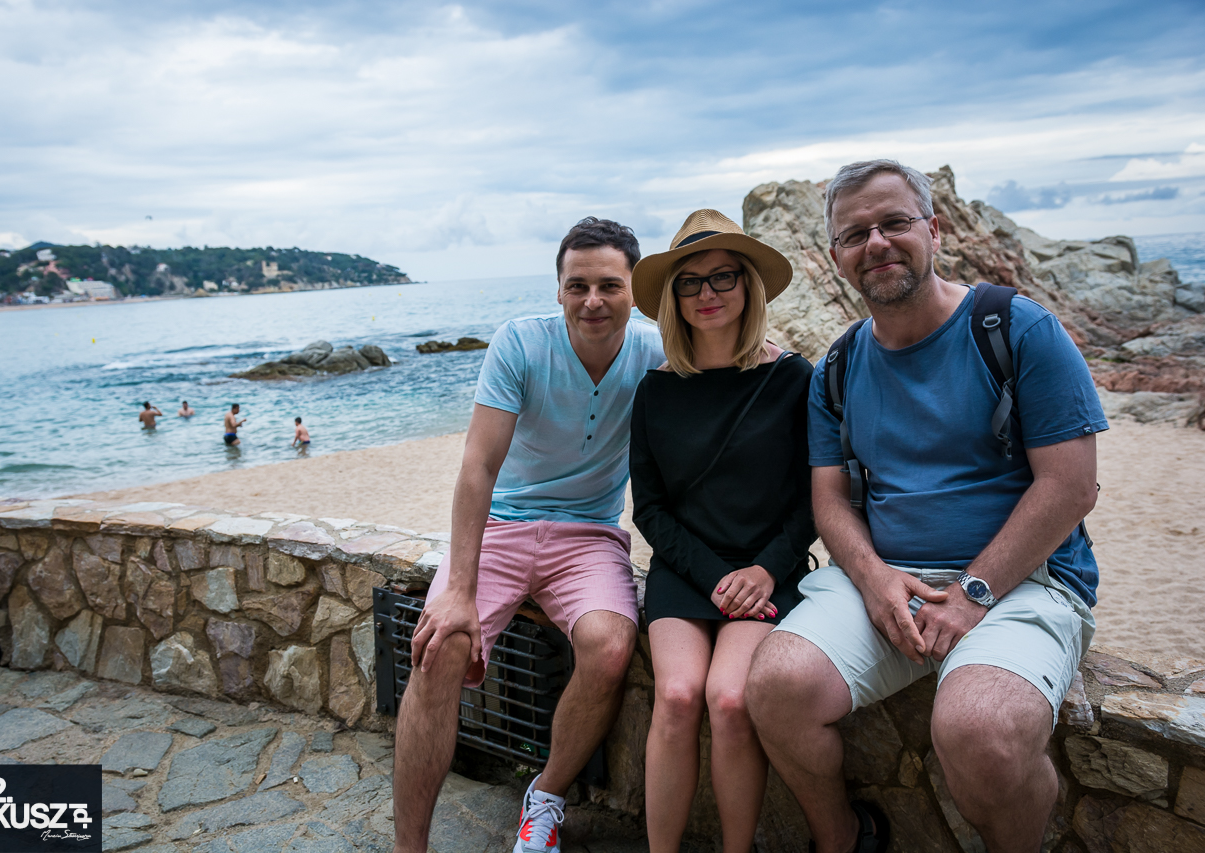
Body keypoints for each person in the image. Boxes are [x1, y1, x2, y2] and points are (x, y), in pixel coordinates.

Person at [744, 160, 1105, 853]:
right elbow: (829, 500)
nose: (876, 243)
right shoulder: (839, 366)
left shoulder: (1018, 329)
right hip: (889, 581)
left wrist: (972, 593)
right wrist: (875, 579)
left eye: (894, 223)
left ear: (934, 231)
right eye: (854, 234)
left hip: (1024, 581)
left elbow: (1070, 486)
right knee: (777, 685)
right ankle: (843, 838)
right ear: (836, 256)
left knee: (980, 732)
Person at [393, 217, 665, 853]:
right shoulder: (519, 342)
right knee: (440, 647)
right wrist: (458, 589)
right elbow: (478, 467)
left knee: (610, 647)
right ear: (558, 289)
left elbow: (728, 361)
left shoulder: (655, 351)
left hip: (589, 534)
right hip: (502, 526)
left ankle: (545, 797)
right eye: (577, 286)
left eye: (609, 285)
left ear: (635, 290)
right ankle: (409, 847)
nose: (592, 300)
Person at [628, 210, 816, 853]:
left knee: (731, 700)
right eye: (690, 281)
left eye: (723, 277)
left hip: (769, 568)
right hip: (688, 570)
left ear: (748, 284)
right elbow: (650, 510)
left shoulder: (793, 379)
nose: (707, 293)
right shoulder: (654, 391)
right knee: (679, 696)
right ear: (673, 297)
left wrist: (765, 569)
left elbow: (815, 498)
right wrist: (713, 577)